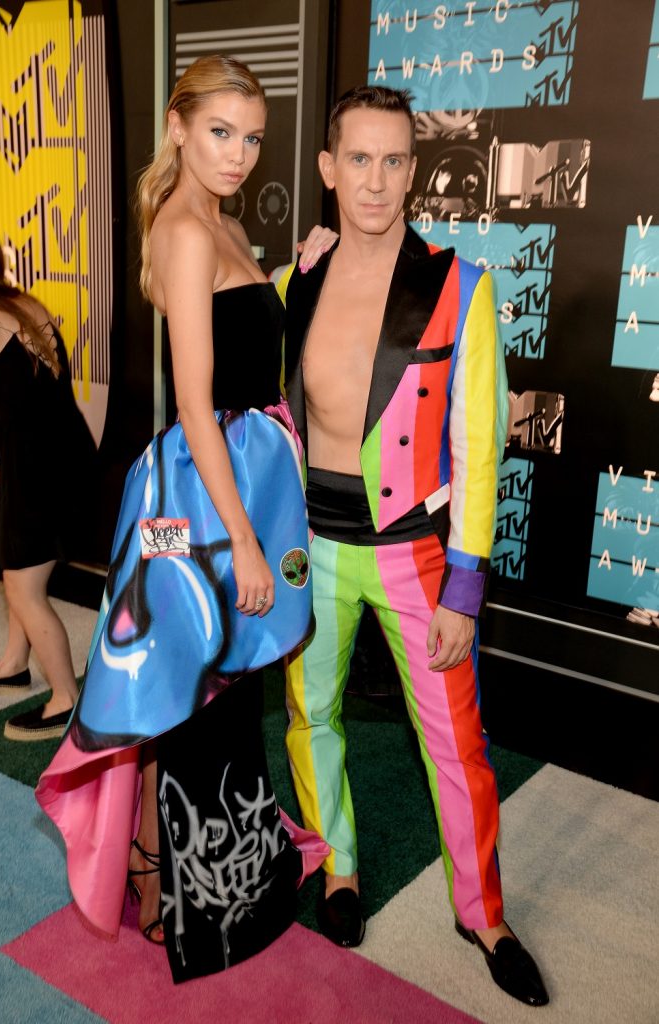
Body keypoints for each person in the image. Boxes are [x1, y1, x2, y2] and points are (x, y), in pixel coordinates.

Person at [37, 56, 330, 982]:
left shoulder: (222, 220)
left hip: (223, 487)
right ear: (176, 125)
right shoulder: (185, 228)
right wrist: (243, 540)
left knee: (202, 689)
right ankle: (177, 887)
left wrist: (292, 275)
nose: (239, 153)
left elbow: (241, 334)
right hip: (199, 503)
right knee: (195, 692)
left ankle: (184, 872)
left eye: (250, 137)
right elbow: (199, 404)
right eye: (220, 133)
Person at [280, 86, 549, 1008]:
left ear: (413, 171)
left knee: (457, 746)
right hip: (308, 546)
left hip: (413, 553)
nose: (377, 180)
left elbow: (480, 447)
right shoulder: (295, 282)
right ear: (327, 169)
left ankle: (483, 914)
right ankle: (339, 867)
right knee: (311, 719)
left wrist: (465, 586)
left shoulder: (460, 286)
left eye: (396, 160)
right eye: (359, 159)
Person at [0, 214, 96, 741]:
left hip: (36, 474)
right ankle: (12, 662)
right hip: (60, 461)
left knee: (26, 588)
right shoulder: (22, 303)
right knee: (12, 565)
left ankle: (67, 698)